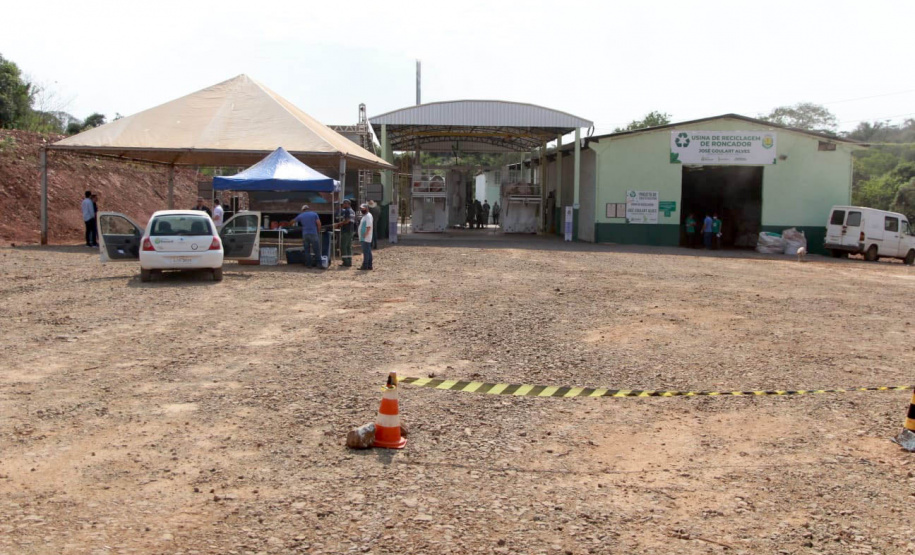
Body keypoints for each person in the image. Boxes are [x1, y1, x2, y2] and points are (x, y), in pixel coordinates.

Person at [334, 199, 356, 267]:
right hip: (351, 230)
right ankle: (349, 261)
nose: (342, 205)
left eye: (343, 204)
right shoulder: (352, 211)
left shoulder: (347, 211)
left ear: (347, 204)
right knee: (348, 247)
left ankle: (345, 262)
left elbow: (347, 221)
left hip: (346, 230)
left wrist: (339, 224)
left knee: (343, 246)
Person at [358, 203, 373, 270]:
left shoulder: (368, 216)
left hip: (366, 237)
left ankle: (365, 265)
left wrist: (365, 234)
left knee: (366, 252)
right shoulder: (365, 216)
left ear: (366, 208)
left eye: (363, 208)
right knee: (368, 251)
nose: (361, 210)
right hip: (364, 237)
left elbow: (368, 226)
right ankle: (369, 265)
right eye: (361, 208)